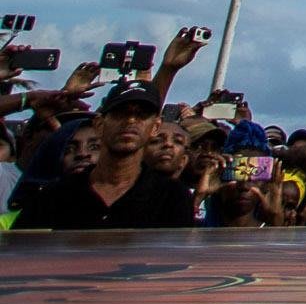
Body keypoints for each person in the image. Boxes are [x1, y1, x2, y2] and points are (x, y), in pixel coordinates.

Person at [15, 83, 197, 231]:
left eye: (141, 115)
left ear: (155, 127)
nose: (130, 121)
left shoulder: (172, 196)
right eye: (120, 113)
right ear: (100, 124)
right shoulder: (55, 195)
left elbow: (175, 264)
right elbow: (21, 259)